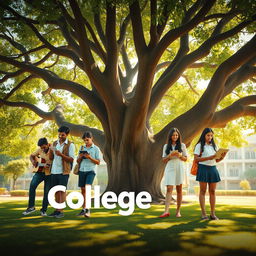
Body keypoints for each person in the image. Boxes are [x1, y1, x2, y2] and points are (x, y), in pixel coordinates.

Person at [194, 128, 227, 220]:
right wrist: (209, 157)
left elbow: (216, 160)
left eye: (211, 135)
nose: (210, 137)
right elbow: (196, 159)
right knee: (203, 191)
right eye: (208, 135)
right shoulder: (199, 146)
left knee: (212, 191)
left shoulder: (214, 146)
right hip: (203, 169)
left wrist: (222, 157)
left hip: (213, 169)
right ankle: (204, 214)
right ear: (204, 135)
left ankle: (213, 214)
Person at [159, 128, 187, 218]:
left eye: (176, 135)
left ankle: (178, 211)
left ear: (178, 136)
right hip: (170, 167)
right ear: (170, 136)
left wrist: (180, 155)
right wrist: (170, 155)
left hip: (179, 167)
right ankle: (166, 211)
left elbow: (186, 159)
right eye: (173, 135)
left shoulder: (182, 145)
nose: (175, 136)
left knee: (179, 189)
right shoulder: (166, 146)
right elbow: (163, 160)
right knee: (169, 188)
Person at [48, 126, 75, 218]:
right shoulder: (55, 143)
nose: (60, 136)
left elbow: (71, 159)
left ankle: (61, 211)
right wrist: (51, 150)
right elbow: (51, 158)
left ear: (67, 135)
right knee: (55, 191)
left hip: (64, 171)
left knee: (62, 191)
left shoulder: (71, 145)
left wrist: (61, 154)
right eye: (59, 134)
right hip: (54, 171)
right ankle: (56, 210)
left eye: (62, 135)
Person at [22, 138, 52, 216]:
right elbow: (31, 156)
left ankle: (43, 210)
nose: (42, 149)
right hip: (39, 172)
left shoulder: (53, 149)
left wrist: (48, 165)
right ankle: (31, 207)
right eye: (41, 147)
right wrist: (33, 161)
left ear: (47, 144)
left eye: (44, 147)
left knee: (47, 192)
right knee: (32, 186)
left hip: (49, 174)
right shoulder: (39, 150)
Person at [76, 131, 100, 218]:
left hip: (91, 171)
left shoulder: (96, 149)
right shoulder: (82, 148)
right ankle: (83, 209)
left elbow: (98, 162)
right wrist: (81, 157)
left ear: (91, 138)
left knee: (87, 187)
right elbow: (77, 161)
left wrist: (89, 157)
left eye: (87, 140)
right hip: (82, 170)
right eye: (84, 140)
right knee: (83, 190)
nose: (86, 142)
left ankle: (88, 210)